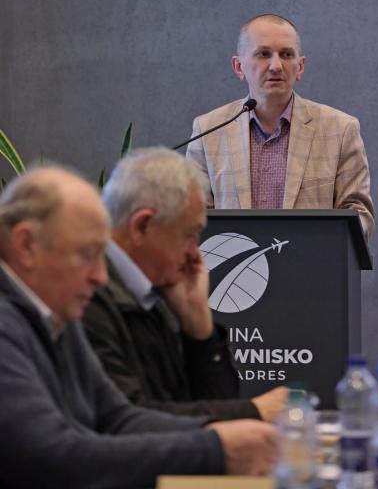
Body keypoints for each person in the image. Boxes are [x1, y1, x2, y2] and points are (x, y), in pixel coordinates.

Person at [0, 166, 278, 489]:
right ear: (26, 245)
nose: (100, 277)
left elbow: (118, 418)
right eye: (87, 254)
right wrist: (215, 448)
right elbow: (51, 459)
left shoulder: (57, 315)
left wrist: (220, 432)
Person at [82, 147, 286, 421]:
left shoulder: (158, 294)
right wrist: (256, 410)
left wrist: (200, 331)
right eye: (189, 235)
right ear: (142, 226)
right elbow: (126, 419)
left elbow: (215, 414)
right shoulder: (84, 297)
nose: (195, 253)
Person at [186, 14, 375, 238]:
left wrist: (324, 246)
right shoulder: (208, 131)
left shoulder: (341, 130)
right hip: (235, 261)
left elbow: (359, 215)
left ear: (300, 67)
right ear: (239, 66)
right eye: (263, 54)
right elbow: (191, 220)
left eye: (286, 54)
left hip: (311, 259)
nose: (276, 66)